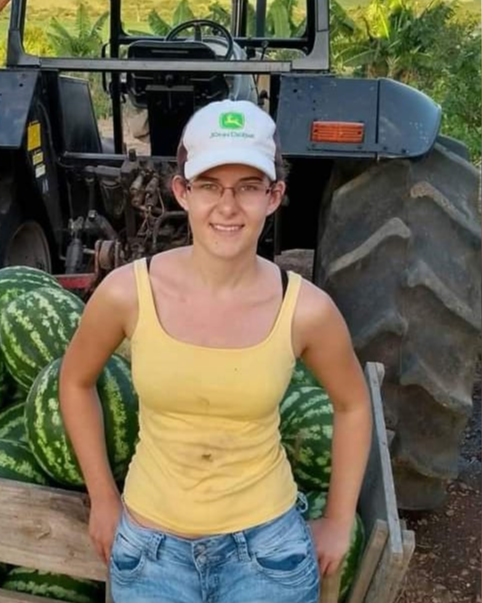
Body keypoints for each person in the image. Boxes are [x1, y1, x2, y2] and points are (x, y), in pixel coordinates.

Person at [59, 99, 373, 602]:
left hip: (267, 555)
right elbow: (74, 383)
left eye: (249, 187)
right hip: (150, 554)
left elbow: (354, 404)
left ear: (274, 197)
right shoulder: (126, 293)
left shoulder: (306, 310)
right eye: (209, 185)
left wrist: (338, 520)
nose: (228, 206)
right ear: (182, 192)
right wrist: (102, 497)